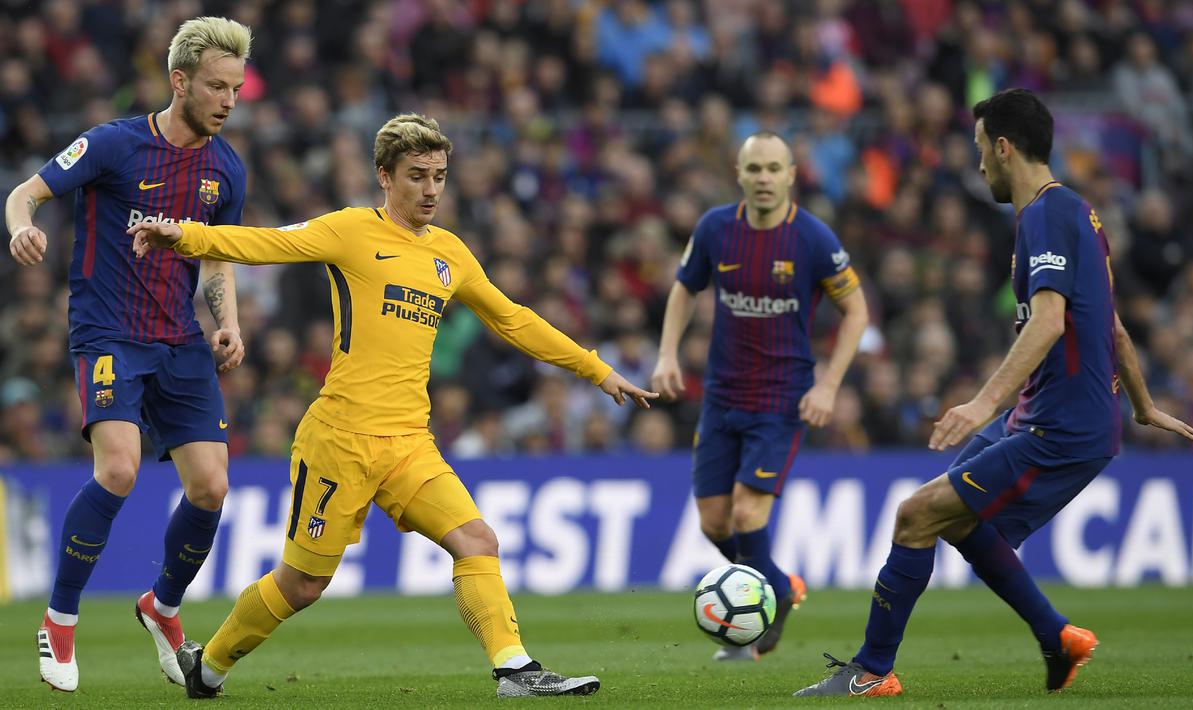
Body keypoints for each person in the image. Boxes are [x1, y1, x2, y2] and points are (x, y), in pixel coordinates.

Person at [128, 113, 657, 699]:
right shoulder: (351, 231)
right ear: (385, 176)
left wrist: (596, 369)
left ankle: (515, 670)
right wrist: (186, 235)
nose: (431, 189)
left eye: (439, 176)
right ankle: (208, 668)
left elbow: (514, 319)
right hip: (340, 439)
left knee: (477, 540)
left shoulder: (450, 253)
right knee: (302, 585)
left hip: (409, 443)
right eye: (416, 176)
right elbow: (265, 242)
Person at [794, 88, 1193, 698]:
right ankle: (1056, 637)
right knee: (953, 520)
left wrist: (982, 403)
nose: (979, 161)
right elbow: (1111, 326)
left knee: (916, 514)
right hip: (1040, 415)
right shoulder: (1078, 214)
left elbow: (1050, 321)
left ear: (1004, 148)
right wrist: (1141, 406)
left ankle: (873, 671)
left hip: (1059, 426)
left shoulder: (1046, 216)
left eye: (981, 147)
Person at [4, 17, 252, 692]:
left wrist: (227, 323)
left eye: (235, 88)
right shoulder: (114, 144)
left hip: (181, 339)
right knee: (118, 469)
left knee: (212, 487)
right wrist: (22, 226)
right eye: (217, 86)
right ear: (179, 81)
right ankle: (59, 619)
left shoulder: (226, 169)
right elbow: (26, 192)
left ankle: (162, 608)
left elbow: (217, 259)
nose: (229, 101)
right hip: (108, 332)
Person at [651, 131, 869, 661]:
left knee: (748, 514)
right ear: (739, 174)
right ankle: (778, 586)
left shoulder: (813, 238)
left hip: (781, 397)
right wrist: (667, 354)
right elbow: (685, 288)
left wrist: (828, 385)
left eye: (774, 168)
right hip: (722, 395)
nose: (764, 178)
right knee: (713, 522)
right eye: (755, 169)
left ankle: (765, 603)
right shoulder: (715, 228)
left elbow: (857, 311)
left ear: (791, 175)